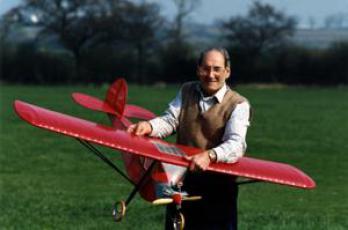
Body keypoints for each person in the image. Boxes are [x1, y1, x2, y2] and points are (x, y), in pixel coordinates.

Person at [127, 47, 251, 230]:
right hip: (181, 182)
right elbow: (170, 121)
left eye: (217, 69)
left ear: (227, 72)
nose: (211, 74)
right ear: (198, 69)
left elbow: (236, 145)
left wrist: (209, 156)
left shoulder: (239, 104)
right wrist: (149, 126)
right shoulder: (187, 90)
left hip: (218, 189)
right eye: (206, 68)